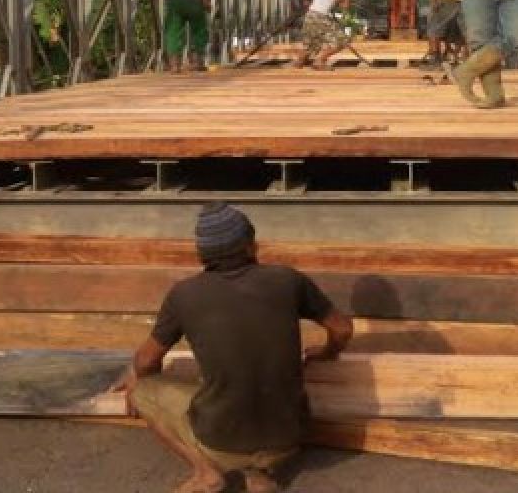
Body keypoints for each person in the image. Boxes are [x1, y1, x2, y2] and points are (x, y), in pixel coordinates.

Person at [126, 202, 354, 493]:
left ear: (202, 254)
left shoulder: (184, 295)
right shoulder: (288, 280)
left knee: (142, 391)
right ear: (250, 245)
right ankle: (259, 475)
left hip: (221, 445)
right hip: (291, 441)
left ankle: (206, 472)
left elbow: (145, 362)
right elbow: (342, 329)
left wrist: (139, 379)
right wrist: (327, 352)